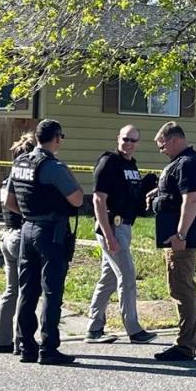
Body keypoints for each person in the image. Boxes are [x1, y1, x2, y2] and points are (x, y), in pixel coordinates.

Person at [5, 119, 83, 366]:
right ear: (57, 138)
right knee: (52, 290)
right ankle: (48, 348)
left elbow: (8, 201)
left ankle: (26, 345)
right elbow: (77, 199)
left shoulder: (21, 161)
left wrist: (30, 214)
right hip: (51, 232)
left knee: (27, 290)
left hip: (26, 228)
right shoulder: (52, 166)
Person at [85, 124, 158, 344]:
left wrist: (148, 187)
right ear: (118, 138)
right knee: (127, 277)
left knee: (107, 280)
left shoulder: (131, 165)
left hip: (124, 227)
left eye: (133, 140)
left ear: (138, 143)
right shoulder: (109, 162)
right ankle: (133, 329)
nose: (129, 143)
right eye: (125, 139)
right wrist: (108, 235)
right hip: (111, 226)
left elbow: (131, 198)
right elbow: (98, 199)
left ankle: (94, 328)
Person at [147, 122, 196, 362]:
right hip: (175, 238)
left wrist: (181, 234)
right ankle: (185, 343)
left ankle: (184, 347)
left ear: (174, 140)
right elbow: (178, 195)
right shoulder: (180, 163)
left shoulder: (188, 163)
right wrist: (159, 194)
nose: (161, 150)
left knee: (182, 290)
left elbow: (191, 201)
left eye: (162, 145)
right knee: (179, 288)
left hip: (181, 240)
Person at [0, 131, 36, 354]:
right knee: (26, 290)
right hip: (20, 236)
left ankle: (1, 339)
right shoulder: (23, 179)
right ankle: (22, 340)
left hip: (5, 234)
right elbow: (16, 204)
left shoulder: (6, 179)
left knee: (11, 290)